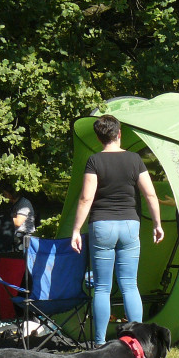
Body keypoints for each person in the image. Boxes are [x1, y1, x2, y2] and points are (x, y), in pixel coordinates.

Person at [70, 115, 164, 345]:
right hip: (130, 225)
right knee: (129, 285)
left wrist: (75, 230)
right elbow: (150, 194)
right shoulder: (134, 160)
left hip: (102, 226)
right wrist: (157, 223)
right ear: (119, 133)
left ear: (99, 138)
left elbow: (85, 198)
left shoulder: (94, 161)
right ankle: (140, 343)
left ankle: (100, 343)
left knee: (102, 287)